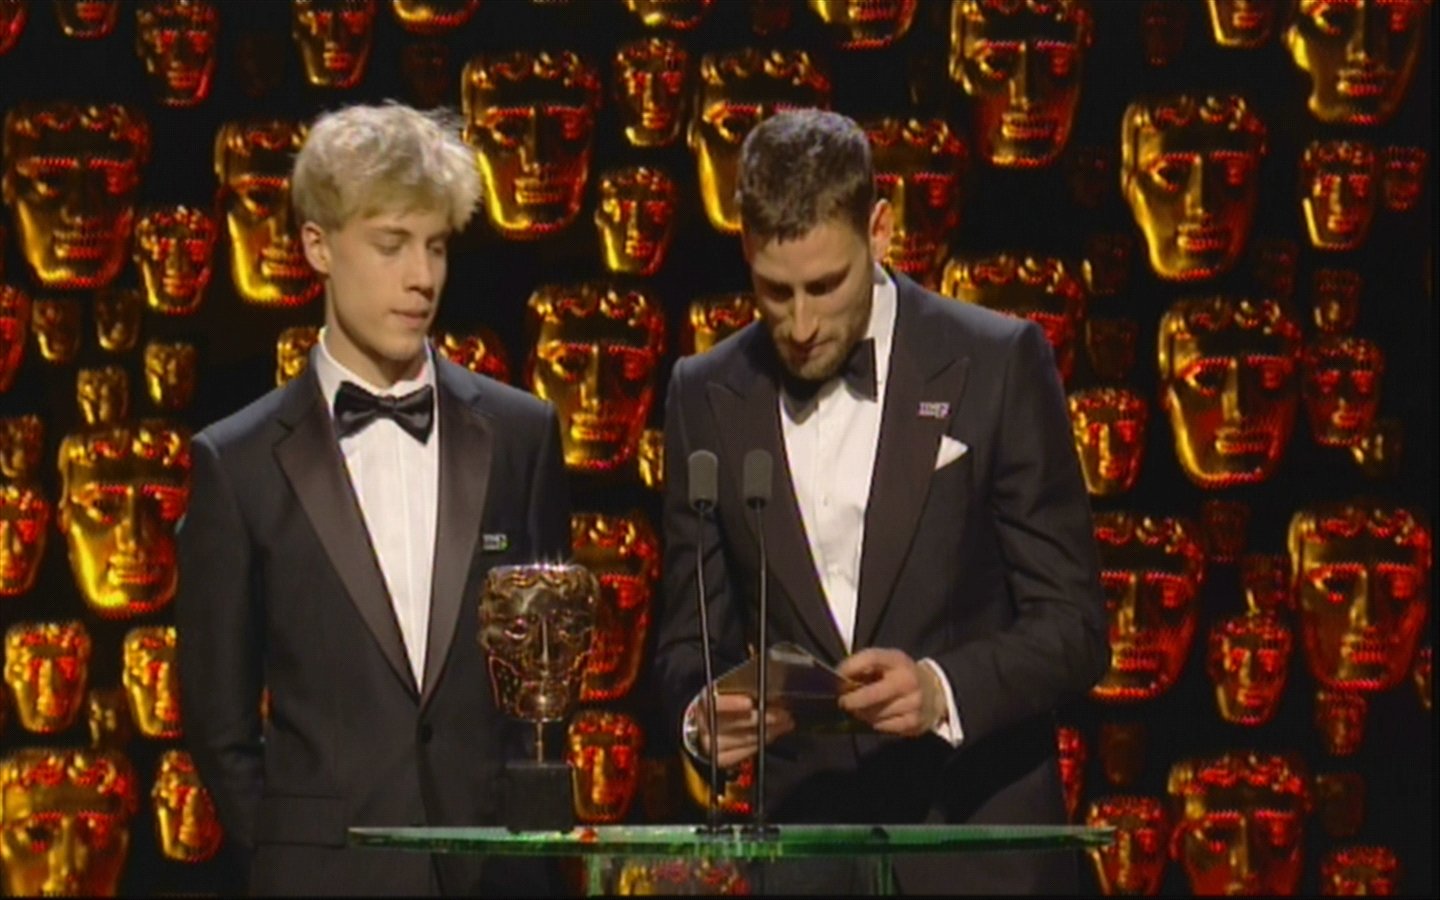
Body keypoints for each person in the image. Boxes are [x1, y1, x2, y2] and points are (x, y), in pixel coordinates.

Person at [654, 108, 1108, 894]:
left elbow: (1074, 627)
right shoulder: (705, 392)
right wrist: (704, 715)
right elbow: (688, 638)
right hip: (806, 859)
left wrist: (941, 689)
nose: (800, 324)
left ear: (882, 231)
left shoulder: (997, 362)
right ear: (746, 250)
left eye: (826, 285)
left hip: (979, 851)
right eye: (775, 290)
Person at [176, 102, 569, 896]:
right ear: (317, 246)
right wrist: (295, 856)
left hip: (493, 878)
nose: (422, 278)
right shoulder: (238, 463)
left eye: (436, 246)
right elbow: (218, 725)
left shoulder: (520, 434)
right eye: (391, 245)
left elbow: (547, 679)